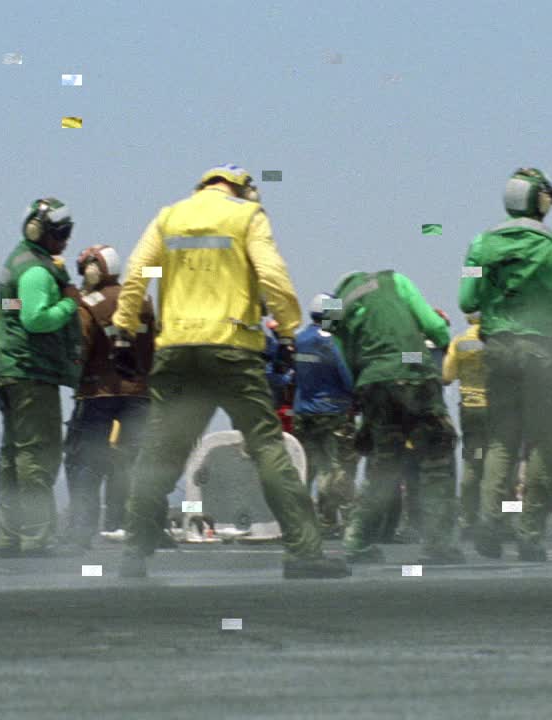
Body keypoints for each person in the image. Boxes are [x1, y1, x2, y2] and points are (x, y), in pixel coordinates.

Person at [111, 164, 349, 580]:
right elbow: (272, 277)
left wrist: (125, 329)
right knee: (267, 447)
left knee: (160, 452)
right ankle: (303, 552)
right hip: (232, 350)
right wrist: (291, 331)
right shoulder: (246, 218)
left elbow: (139, 273)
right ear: (242, 189)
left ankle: (135, 552)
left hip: (178, 350)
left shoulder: (169, 217)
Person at [460, 167, 552, 562]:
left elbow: (467, 299)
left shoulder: (480, 245)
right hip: (540, 353)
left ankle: (489, 525)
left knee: (500, 442)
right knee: (544, 443)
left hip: (498, 350)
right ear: (537, 200)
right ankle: (529, 535)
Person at [325, 270, 464, 566]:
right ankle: (438, 543)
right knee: (437, 459)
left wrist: (361, 388)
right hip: (414, 375)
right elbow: (436, 329)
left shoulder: (336, 304)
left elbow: (339, 354)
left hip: (373, 383)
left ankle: (358, 540)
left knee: (383, 464)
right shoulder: (395, 281)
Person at [0, 197, 85, 558]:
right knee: (38, 456)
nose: (65, 240)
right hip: (32, 374)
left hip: (10, 371)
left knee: (12, 456)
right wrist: (70, 303)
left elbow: (6, 313)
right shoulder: (37, 271)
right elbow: (36, 318)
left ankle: (10, 535)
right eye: (60, 233)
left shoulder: (17, 263)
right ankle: (36, 536)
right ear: (39, 231)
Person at [61, 244, 156, 549]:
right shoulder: (143, 300)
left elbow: (79, 349)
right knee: (136, 463)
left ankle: (81, 533)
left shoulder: (88, 305)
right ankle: (143, 529)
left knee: (86, 461)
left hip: (96, 394)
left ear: (94, 269)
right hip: (140, 394)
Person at [292, 292, 358, 539]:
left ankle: (305, 522)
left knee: (307, 468)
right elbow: (347, 377)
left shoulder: (299, 338)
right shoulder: (330, 341)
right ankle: (341, 520)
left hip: (304, 413)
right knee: (337, 468)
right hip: (333, 413)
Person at [443, 312, 489, 539]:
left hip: (472, 411)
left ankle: (467, 519)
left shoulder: (460, 342)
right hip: (499, 412)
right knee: (504, 462)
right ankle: (503, 518)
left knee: (473, 461)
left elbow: (447, 375)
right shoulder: (501, 341)